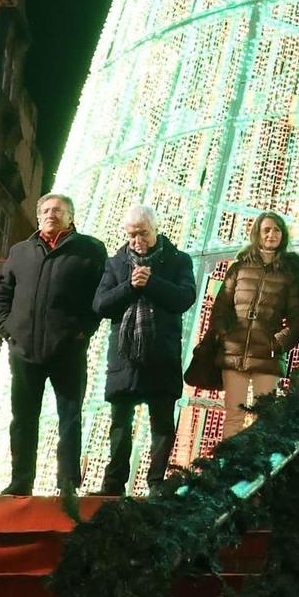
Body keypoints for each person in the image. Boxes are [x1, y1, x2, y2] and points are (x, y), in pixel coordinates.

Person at [0, 193, 108, 496]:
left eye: (57, 210)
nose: (50, 214)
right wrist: (8, 330)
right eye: (45, 210)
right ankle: (21, 481)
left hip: (68, 349)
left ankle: (67, 481)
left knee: (70, 416)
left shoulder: (91, 250)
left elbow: (100, 296)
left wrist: (84, 331)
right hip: (24, 350)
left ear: (71, 216)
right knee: (23, 418)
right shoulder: (21, 251)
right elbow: (2, 293)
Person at [92, 205, 197, 494]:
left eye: (143, 233)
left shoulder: (178, 260)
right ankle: (113, 483)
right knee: (120, 424)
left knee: (161, 424)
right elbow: (100, 304)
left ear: (156, 229)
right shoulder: (115, 264)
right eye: (132, 234)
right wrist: (129, 286)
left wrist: (151, 283)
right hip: (125, 357)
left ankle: (156, 483)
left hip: (161, 354)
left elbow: (185, 297)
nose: (137, 240)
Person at [209, 211, 299, 436]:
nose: (272, 234)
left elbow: (297, 316)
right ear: (257, 234)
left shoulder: (290, 272)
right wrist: (224, 336)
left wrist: (278, 343)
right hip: (234, 353)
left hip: (268, 354)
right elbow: (221, 307)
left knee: (266, 419)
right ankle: (225, 469)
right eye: (267, 229)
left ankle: (258, 471)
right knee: (233, 415)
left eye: (277, 229)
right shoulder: (239, 268)